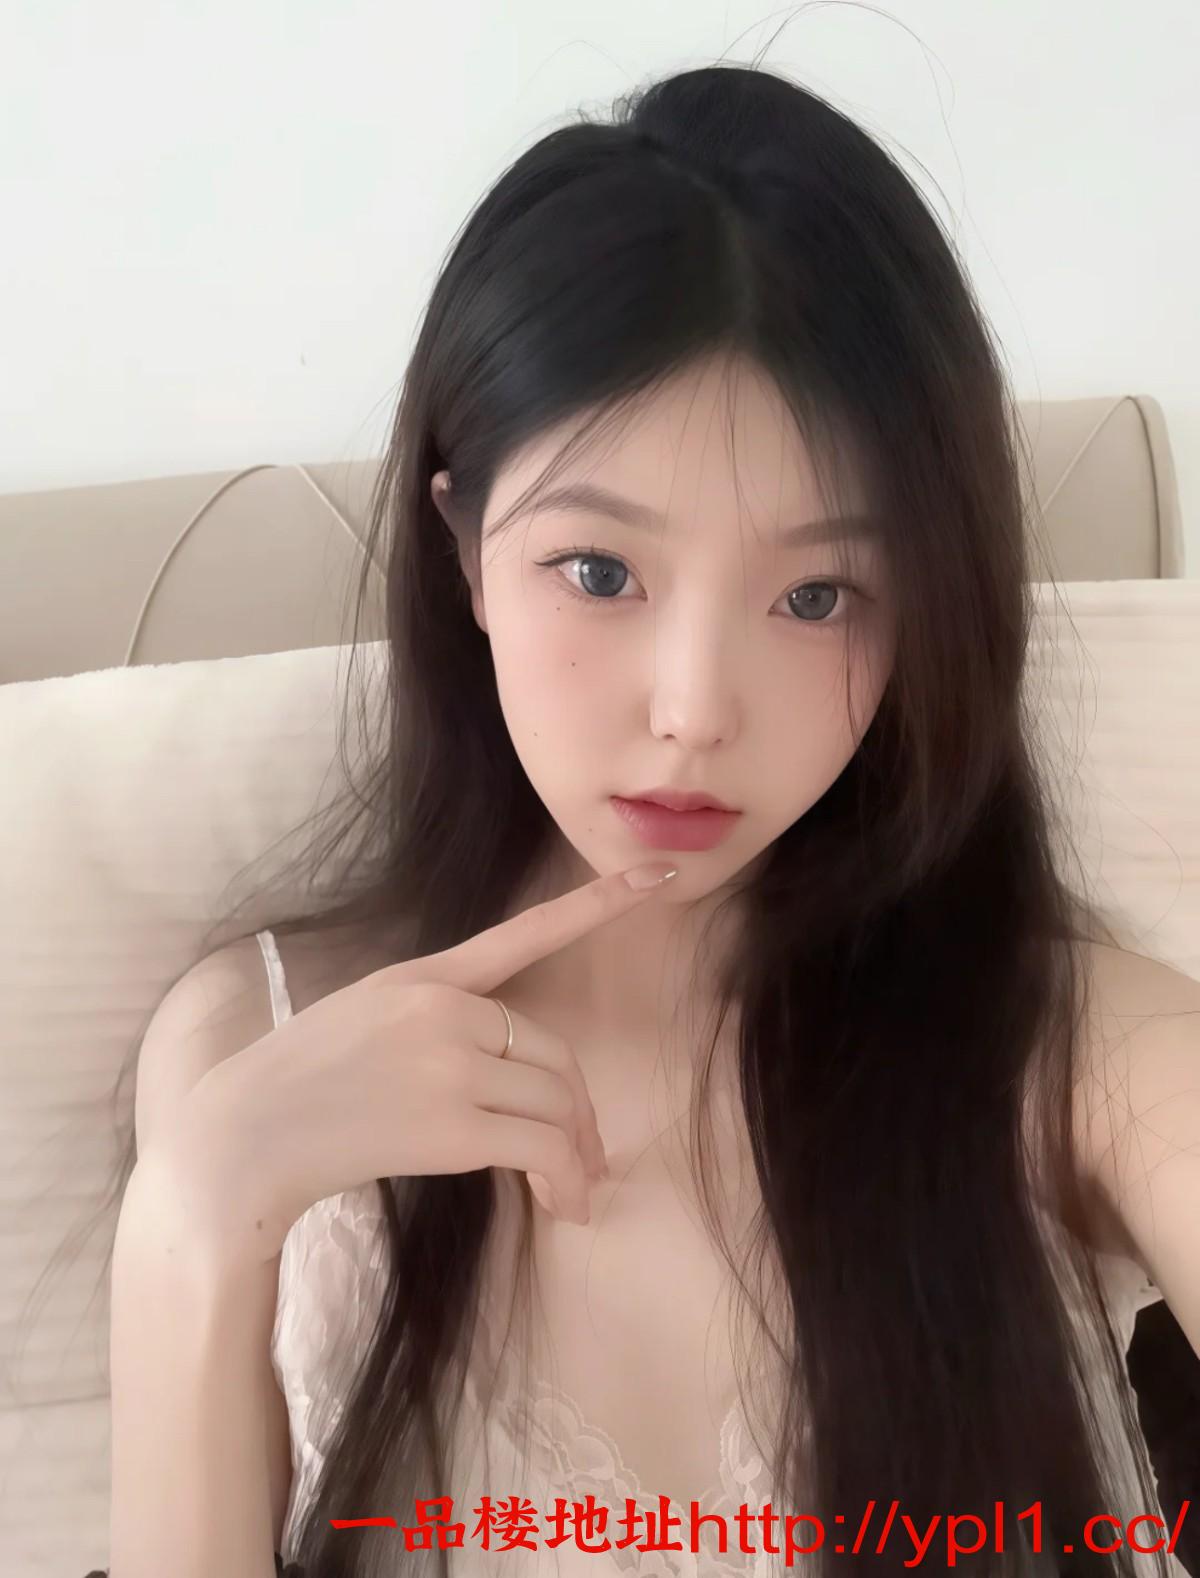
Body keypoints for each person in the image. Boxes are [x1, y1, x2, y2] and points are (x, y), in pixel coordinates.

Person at [80, 59, 1200, 1578]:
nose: (694, 708)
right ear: (464, 546)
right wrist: (193, 1222)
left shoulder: (1081, 1052)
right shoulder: (253, 1058)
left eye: (819, 595)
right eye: (600, 572)